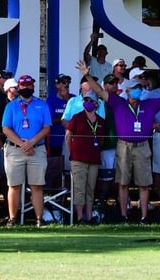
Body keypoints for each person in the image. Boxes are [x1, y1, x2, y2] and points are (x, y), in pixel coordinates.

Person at [80, 61, 160, 224]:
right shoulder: (118, 103)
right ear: (127, 91)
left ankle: (143, 217)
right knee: (123, 182)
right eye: (135, 89)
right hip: (124, 145)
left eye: (140, 89)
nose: (138, 91)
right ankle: (123, 216)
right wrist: (87, 75)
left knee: (144, 183)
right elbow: (99, 90)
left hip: (142, 145)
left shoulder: (149, 104)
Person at [1, 74, 52, 227]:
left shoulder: (41, 105)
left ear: (33, 86)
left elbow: (47, 127)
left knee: (37, 185)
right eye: (23, 85)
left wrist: (31, 142)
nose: (26, 87)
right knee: (14, 185)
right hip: (15, 149)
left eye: (29, 85)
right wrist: (23, 145)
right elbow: (5, 128)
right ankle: (12, 219)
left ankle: (39, 219)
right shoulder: (11, 105)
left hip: (36, 149)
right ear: (19, 87)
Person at [65, 92, 107, 223]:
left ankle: (89, 217)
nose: (87, 102)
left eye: (90, 100)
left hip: (93, 159)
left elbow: (101, 140)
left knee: (90, 188)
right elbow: (68, 137)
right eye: (85, 100)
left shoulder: (101, 121)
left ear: (96, 103)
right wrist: (72, 153)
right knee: (79, 188)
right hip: (78, 159)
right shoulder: (77, 118)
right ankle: (79, 217)